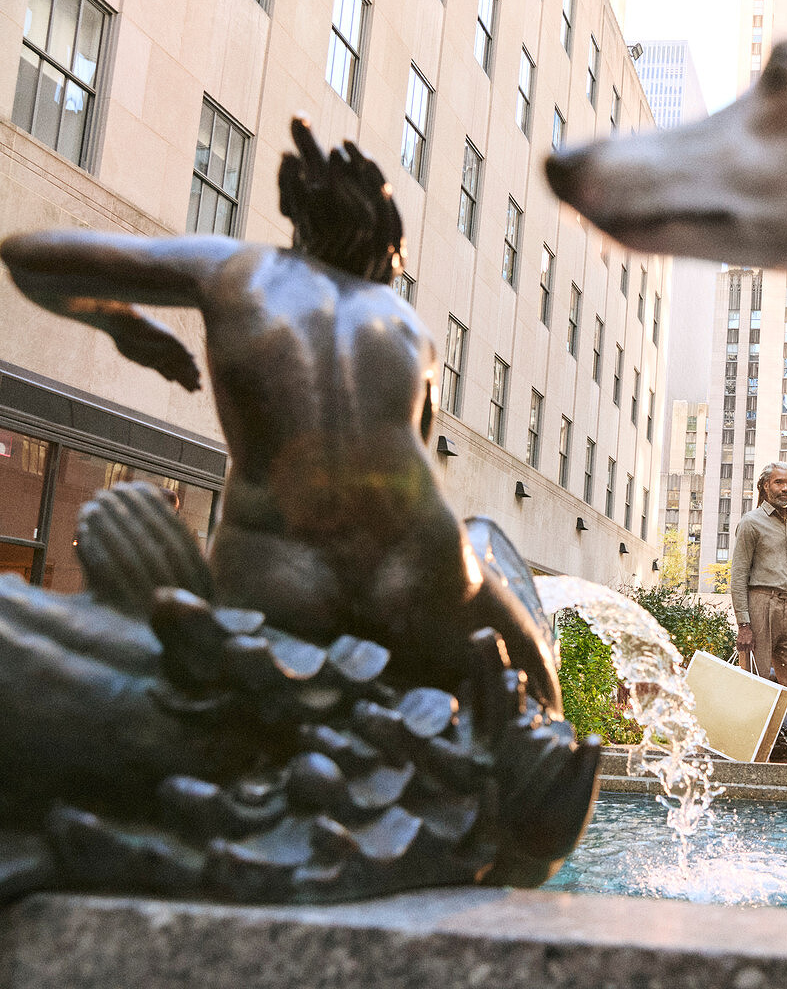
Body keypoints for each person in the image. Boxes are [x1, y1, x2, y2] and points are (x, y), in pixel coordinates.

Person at [0, 118, 558, 710]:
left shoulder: (236, 269)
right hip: (423, 561)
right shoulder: (408, 328)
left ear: (301, 223)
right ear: (384, 250)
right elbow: (416, 456)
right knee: (537, 690)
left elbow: (30, 256)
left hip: (277, 568)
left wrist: (121, 322)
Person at [729, 462, 787, 764]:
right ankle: (751, 757)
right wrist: (744, 622)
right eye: (779, 483)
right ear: (765, 486)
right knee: (757, 684)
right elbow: (738, 575)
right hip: (760, 605)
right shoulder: (751, 523)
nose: (785, 489)